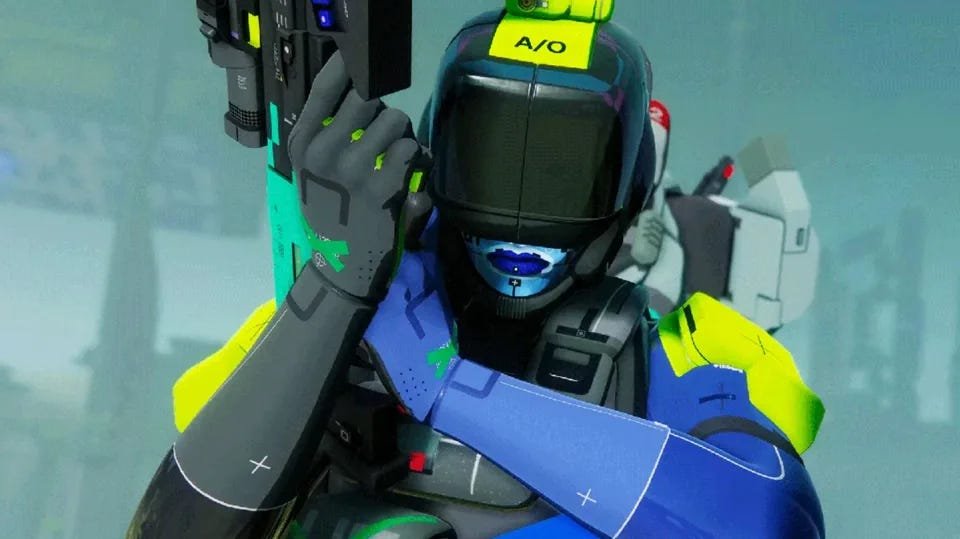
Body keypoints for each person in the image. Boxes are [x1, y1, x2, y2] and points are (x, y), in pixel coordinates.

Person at [128, 8, 826, 539]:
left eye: (562, 173)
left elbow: (770, 517)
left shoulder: (697, 350)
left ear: (630, 184)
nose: (519, 217)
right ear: (436, 158)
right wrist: (336, 292)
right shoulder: (325, 327)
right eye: (488, 157)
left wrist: (450, 389)